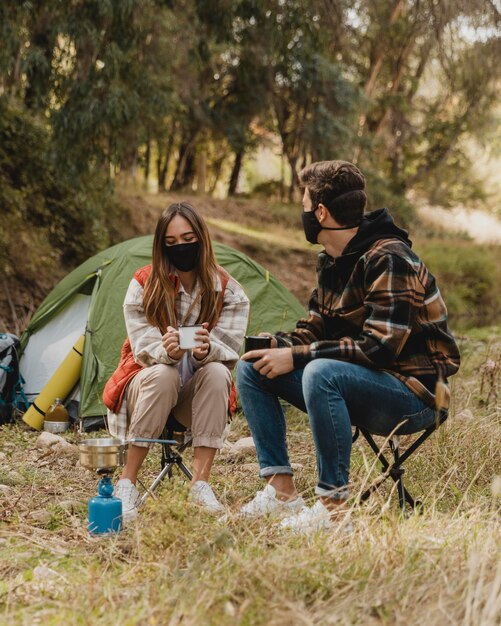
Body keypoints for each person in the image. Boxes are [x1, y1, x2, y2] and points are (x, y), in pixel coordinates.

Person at [237, 160, 460, 534]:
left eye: (305, 203)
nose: (303, 212)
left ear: (321, 212)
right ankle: (281, 492)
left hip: (416, 394)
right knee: (252, 367)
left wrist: (295, 356)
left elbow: (379, 349)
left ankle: (333, 508)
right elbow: (315, 331)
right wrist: (278, 345)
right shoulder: (334, 263)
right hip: (365, 383)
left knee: (322, 371)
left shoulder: (389, 258)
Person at [103, 202, 249, 521]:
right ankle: (127, 483)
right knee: (163, 373)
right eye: (171, 243)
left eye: (188, 238)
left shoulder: (229, 292)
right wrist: (165, 351)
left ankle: (200, 485)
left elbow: (230, 349)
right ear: (161, 246)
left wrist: (205, 351)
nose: (181, 248)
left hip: (192, 400)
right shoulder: (143, 284)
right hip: (146, 388)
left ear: (202, 238)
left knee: (216, 371)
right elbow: (141, 347)